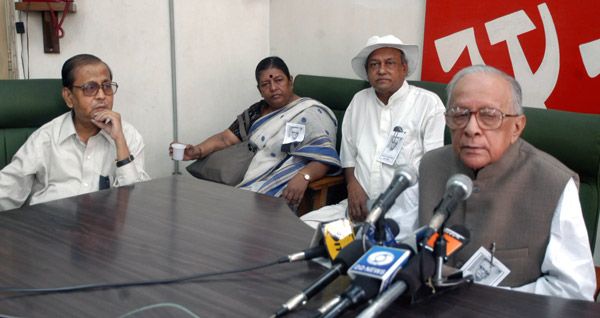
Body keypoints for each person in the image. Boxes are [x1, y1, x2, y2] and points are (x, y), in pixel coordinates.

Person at [417, 65, 595, 300]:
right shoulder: (430, 164)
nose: (471, 129)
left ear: (517, 127)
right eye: (460, 113)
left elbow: (573, 289)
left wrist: (487, 303)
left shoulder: (554, 182)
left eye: (489, 115)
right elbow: (404, 244)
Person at [301, 35, 446, 238]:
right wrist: (353, 187)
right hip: (358, 208)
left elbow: (434, 165)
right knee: (304, 230)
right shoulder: (359, 101)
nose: (381, 70)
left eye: (390, 63)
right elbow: (348, 154)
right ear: (368, 72)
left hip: (405, 212)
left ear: (404, 68)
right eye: (374, 65)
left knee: (377, 255)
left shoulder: (428, 104)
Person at [171, 56, 341, 206]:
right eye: (266, 84)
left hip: (283, 188)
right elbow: (225, 139)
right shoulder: (257, 111)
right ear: (260, 90)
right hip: (248, 181)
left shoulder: (311, 113)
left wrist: (304, 176)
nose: (273, 88)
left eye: (279, 80)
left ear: (290, 81)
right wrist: (196, 151)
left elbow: (325, 157)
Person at [0, 54, 150, 211]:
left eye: (106, 86)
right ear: (69, 97)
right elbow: (7, 191)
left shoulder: (128, 136)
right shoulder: (45, 139)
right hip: (50, 228)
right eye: (90, 88)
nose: (101, 96)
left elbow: (135, 202)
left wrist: (120, 142)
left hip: (105, 230)